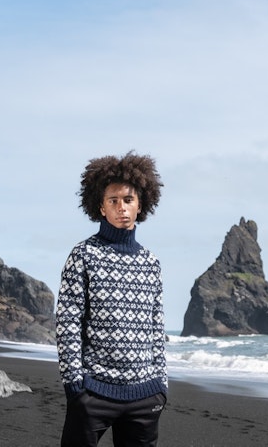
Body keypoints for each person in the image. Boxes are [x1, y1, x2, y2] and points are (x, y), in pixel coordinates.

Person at [56, 152, 168, 447]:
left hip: (145, 396)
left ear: (140, 204)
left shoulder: (151, 263)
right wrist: (74, 385)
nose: (122, 208)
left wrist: (161, 385)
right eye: (113, 201)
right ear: (100, 207)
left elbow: (156, 328)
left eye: (128, 200)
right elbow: (67, 321)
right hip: (93, 393)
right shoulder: (83, 255)